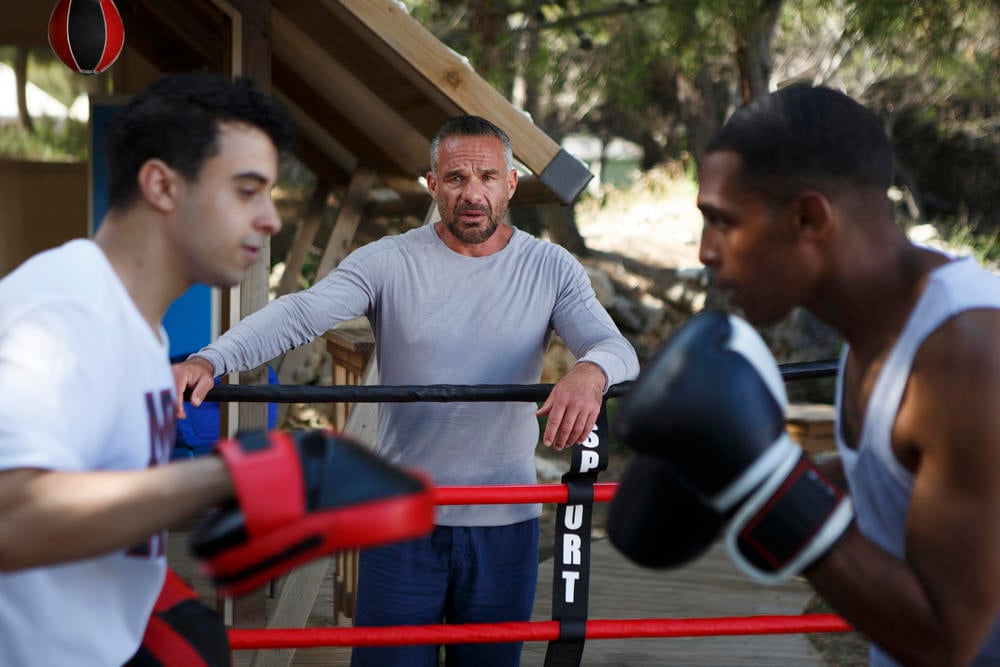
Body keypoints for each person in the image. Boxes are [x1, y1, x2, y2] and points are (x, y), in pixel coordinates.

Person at [0, 71, 434, 666]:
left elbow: (86, 505)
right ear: (161, 185)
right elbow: (9, 515)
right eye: (246, 190)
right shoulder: (61, 317)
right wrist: (229, 478)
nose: (271, 219)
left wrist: (153, 607)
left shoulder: (137, 329)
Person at [173, 114, 640, 666]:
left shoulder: (548, 266)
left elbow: (616, 349)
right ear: (432, 185)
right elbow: (300, 312)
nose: (473, 193)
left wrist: (592, 372)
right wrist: (211, 357)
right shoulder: (390, 260)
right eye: (456, 178)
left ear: (511, 184)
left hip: (504, 520)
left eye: (488, 178)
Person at [609, 83, 1000, 667]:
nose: (705, 252)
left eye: (722, 221)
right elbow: (898, 476)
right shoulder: (879, 326)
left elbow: (948, 644)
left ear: (808, 217)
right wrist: (736, 483)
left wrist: (770, 485)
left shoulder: (967, 354)